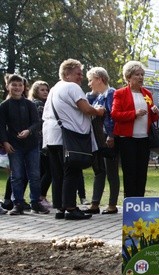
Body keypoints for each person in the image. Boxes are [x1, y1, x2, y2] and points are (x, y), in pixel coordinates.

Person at [42, 58, 105, 220]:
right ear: (67, 74)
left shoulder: (55, 89)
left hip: (52, 137)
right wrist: (98, 111)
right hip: (68, 136)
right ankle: (71, 208)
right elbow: (86, 108)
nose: (81, 77)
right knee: (72, 171)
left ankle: (61, 208)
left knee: (58, 174)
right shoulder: (72, 87)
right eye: (78, 73)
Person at [0, 74, 49, 215]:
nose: (17, 88)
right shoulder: (4, 106)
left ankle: (35, 202)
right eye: (14, 85)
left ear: (24, 87)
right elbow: (2, 126)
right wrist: (5, 142)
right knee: (17, 175)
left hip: (32, 144)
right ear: (8, 87)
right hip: (14, 145)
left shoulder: (29, 104)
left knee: (34, 174)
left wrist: (29, 131)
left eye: (20, 85)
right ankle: (18, 203)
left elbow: (37, 122)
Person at [111, 60, 159, 198]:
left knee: (142, 173)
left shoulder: (147, 94)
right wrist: (134, 114)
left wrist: (154, 112)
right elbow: (115, 114)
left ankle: (140, 202)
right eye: (137, 74)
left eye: (142, 74)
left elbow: (153, 119)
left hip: (144, 138)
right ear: (128, 77)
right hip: (127, 139)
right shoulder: (120, 93)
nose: (140, 77)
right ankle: (130, 202)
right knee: (130, 172)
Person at [82, 67, 119, 215]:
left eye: (91, 80)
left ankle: (112, 204)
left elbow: (113, 116)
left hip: (107, 138)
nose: (90, 84)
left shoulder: (111, 93)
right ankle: (95, 203)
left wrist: (111, 135)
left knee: (111, 171)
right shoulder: (98, 96)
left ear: (99, 79)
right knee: (99, 171)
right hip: (97, 138)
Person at [28, 80, 52, 208]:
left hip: (40, 142)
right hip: (41, 142)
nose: (45, 92)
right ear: (36, 91)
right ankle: (40, 196)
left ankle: (39, 196)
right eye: (42, 90)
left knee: (42, 171)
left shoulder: (39, 103)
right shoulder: (38, 105)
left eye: (47, 90)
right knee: (49, 170)